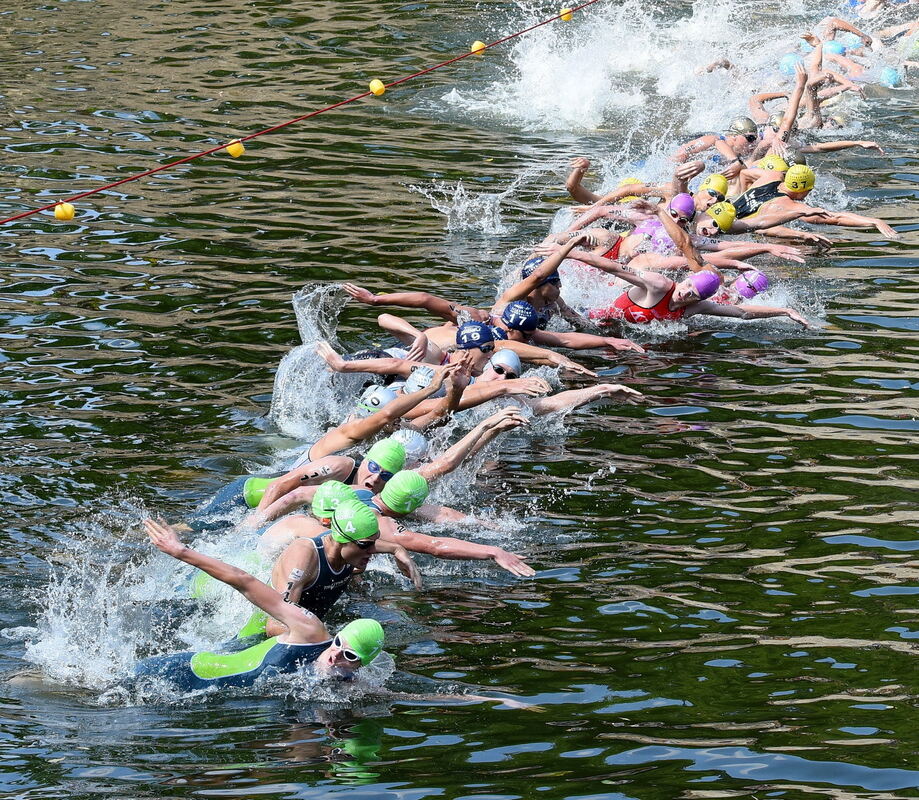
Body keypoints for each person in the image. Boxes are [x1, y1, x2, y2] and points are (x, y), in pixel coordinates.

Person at [135, 517, 387, 691]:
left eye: (349, 656)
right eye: (338, 643)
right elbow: (243, 580)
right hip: (182, 672)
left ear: (359, 665)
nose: (335, 656)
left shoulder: (343, 679)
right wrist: (180, 551)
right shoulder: (308, 630)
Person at [574, 205, 811, 328]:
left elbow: (742, 313)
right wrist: (567, 250)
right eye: (687, 285)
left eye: (692, 294)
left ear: (699, 299)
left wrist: (784, 311)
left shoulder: (695, 307)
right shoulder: (659, 280)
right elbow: (613, 268)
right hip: (588, 317)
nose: (684, 293)